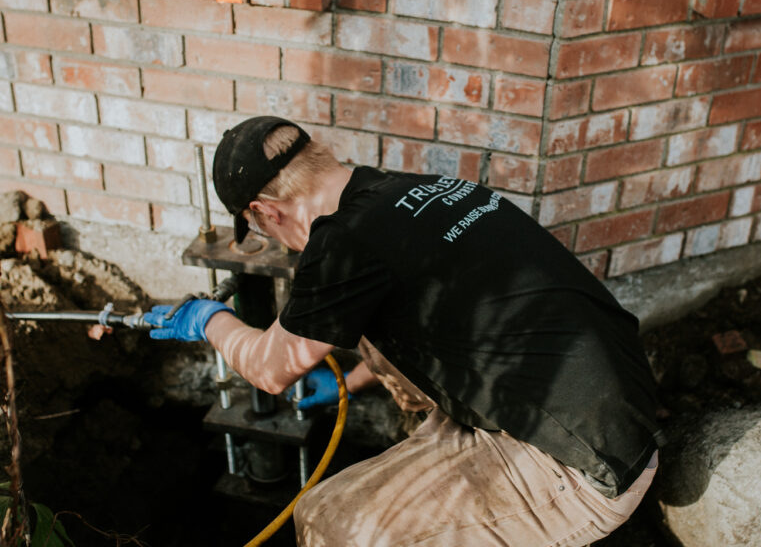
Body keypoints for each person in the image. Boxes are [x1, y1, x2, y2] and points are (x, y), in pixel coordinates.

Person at [145, 116, 665, 546]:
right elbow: (432, 316)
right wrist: (350, 383)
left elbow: (268, 370)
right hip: (615, 411)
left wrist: (206, 320)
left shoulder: (342, 243)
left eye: (260, 227)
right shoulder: (415, 190)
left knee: (327, 523)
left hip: (580, 468)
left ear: (264, 212)